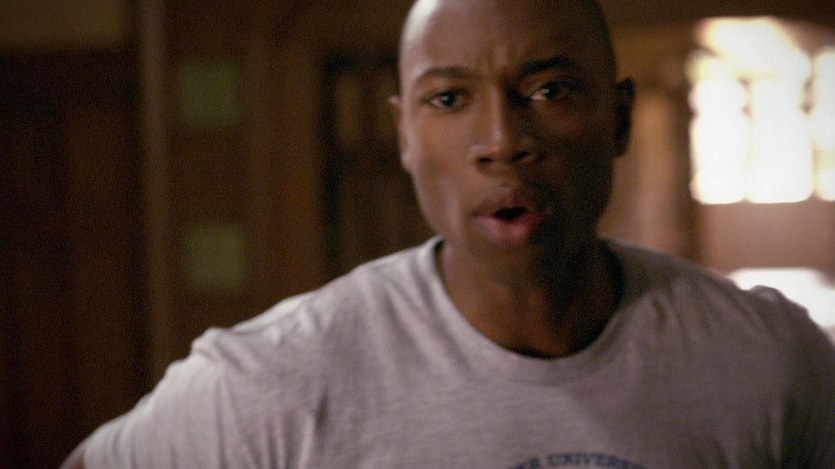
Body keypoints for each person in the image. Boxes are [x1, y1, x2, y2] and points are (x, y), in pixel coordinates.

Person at [63, 0, 835, 467]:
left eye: (549, 90)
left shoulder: (766, 359)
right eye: (448, 99)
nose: (501, 140)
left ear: (619, 118)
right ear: (404, 134)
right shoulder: (272, 381)